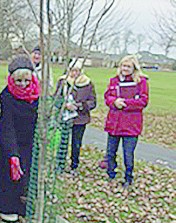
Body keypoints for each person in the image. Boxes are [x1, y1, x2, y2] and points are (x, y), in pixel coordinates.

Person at [0, 56, 39, 222]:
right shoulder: (6, 97)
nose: (23, 84)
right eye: (18, 81)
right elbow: (7, 125)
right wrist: (13, 153)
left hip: (29, 140)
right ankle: (6, 207)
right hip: (9, 139)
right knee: (9, 172)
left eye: (26, 80)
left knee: (27, 172)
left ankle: (23, 205)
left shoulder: (37, 94)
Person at [104, 55, 149, 189]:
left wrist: (124, 103)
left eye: (128, 66)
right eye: (123, 66)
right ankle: (110, 173)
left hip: (131, 124)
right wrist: (114, 102)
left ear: (134, 68)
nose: (125, 69)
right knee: (110, 151)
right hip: (114, 123)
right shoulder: (114, 81)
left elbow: (143, 101)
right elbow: (107, 97)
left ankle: (128, 177)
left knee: (128, 153)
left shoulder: (141, 82)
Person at [56, 59, 96, 175]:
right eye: (72, 70)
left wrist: (79, 106)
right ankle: (60, 164)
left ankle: (74, 165)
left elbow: (92, 102)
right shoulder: (63, 82)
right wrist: (64, 105)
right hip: (65, 118)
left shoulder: (87, 84)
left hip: (80, 119)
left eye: (77, 71)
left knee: (76, 143)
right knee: (62, 141)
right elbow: (56, 98)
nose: (74, 73)